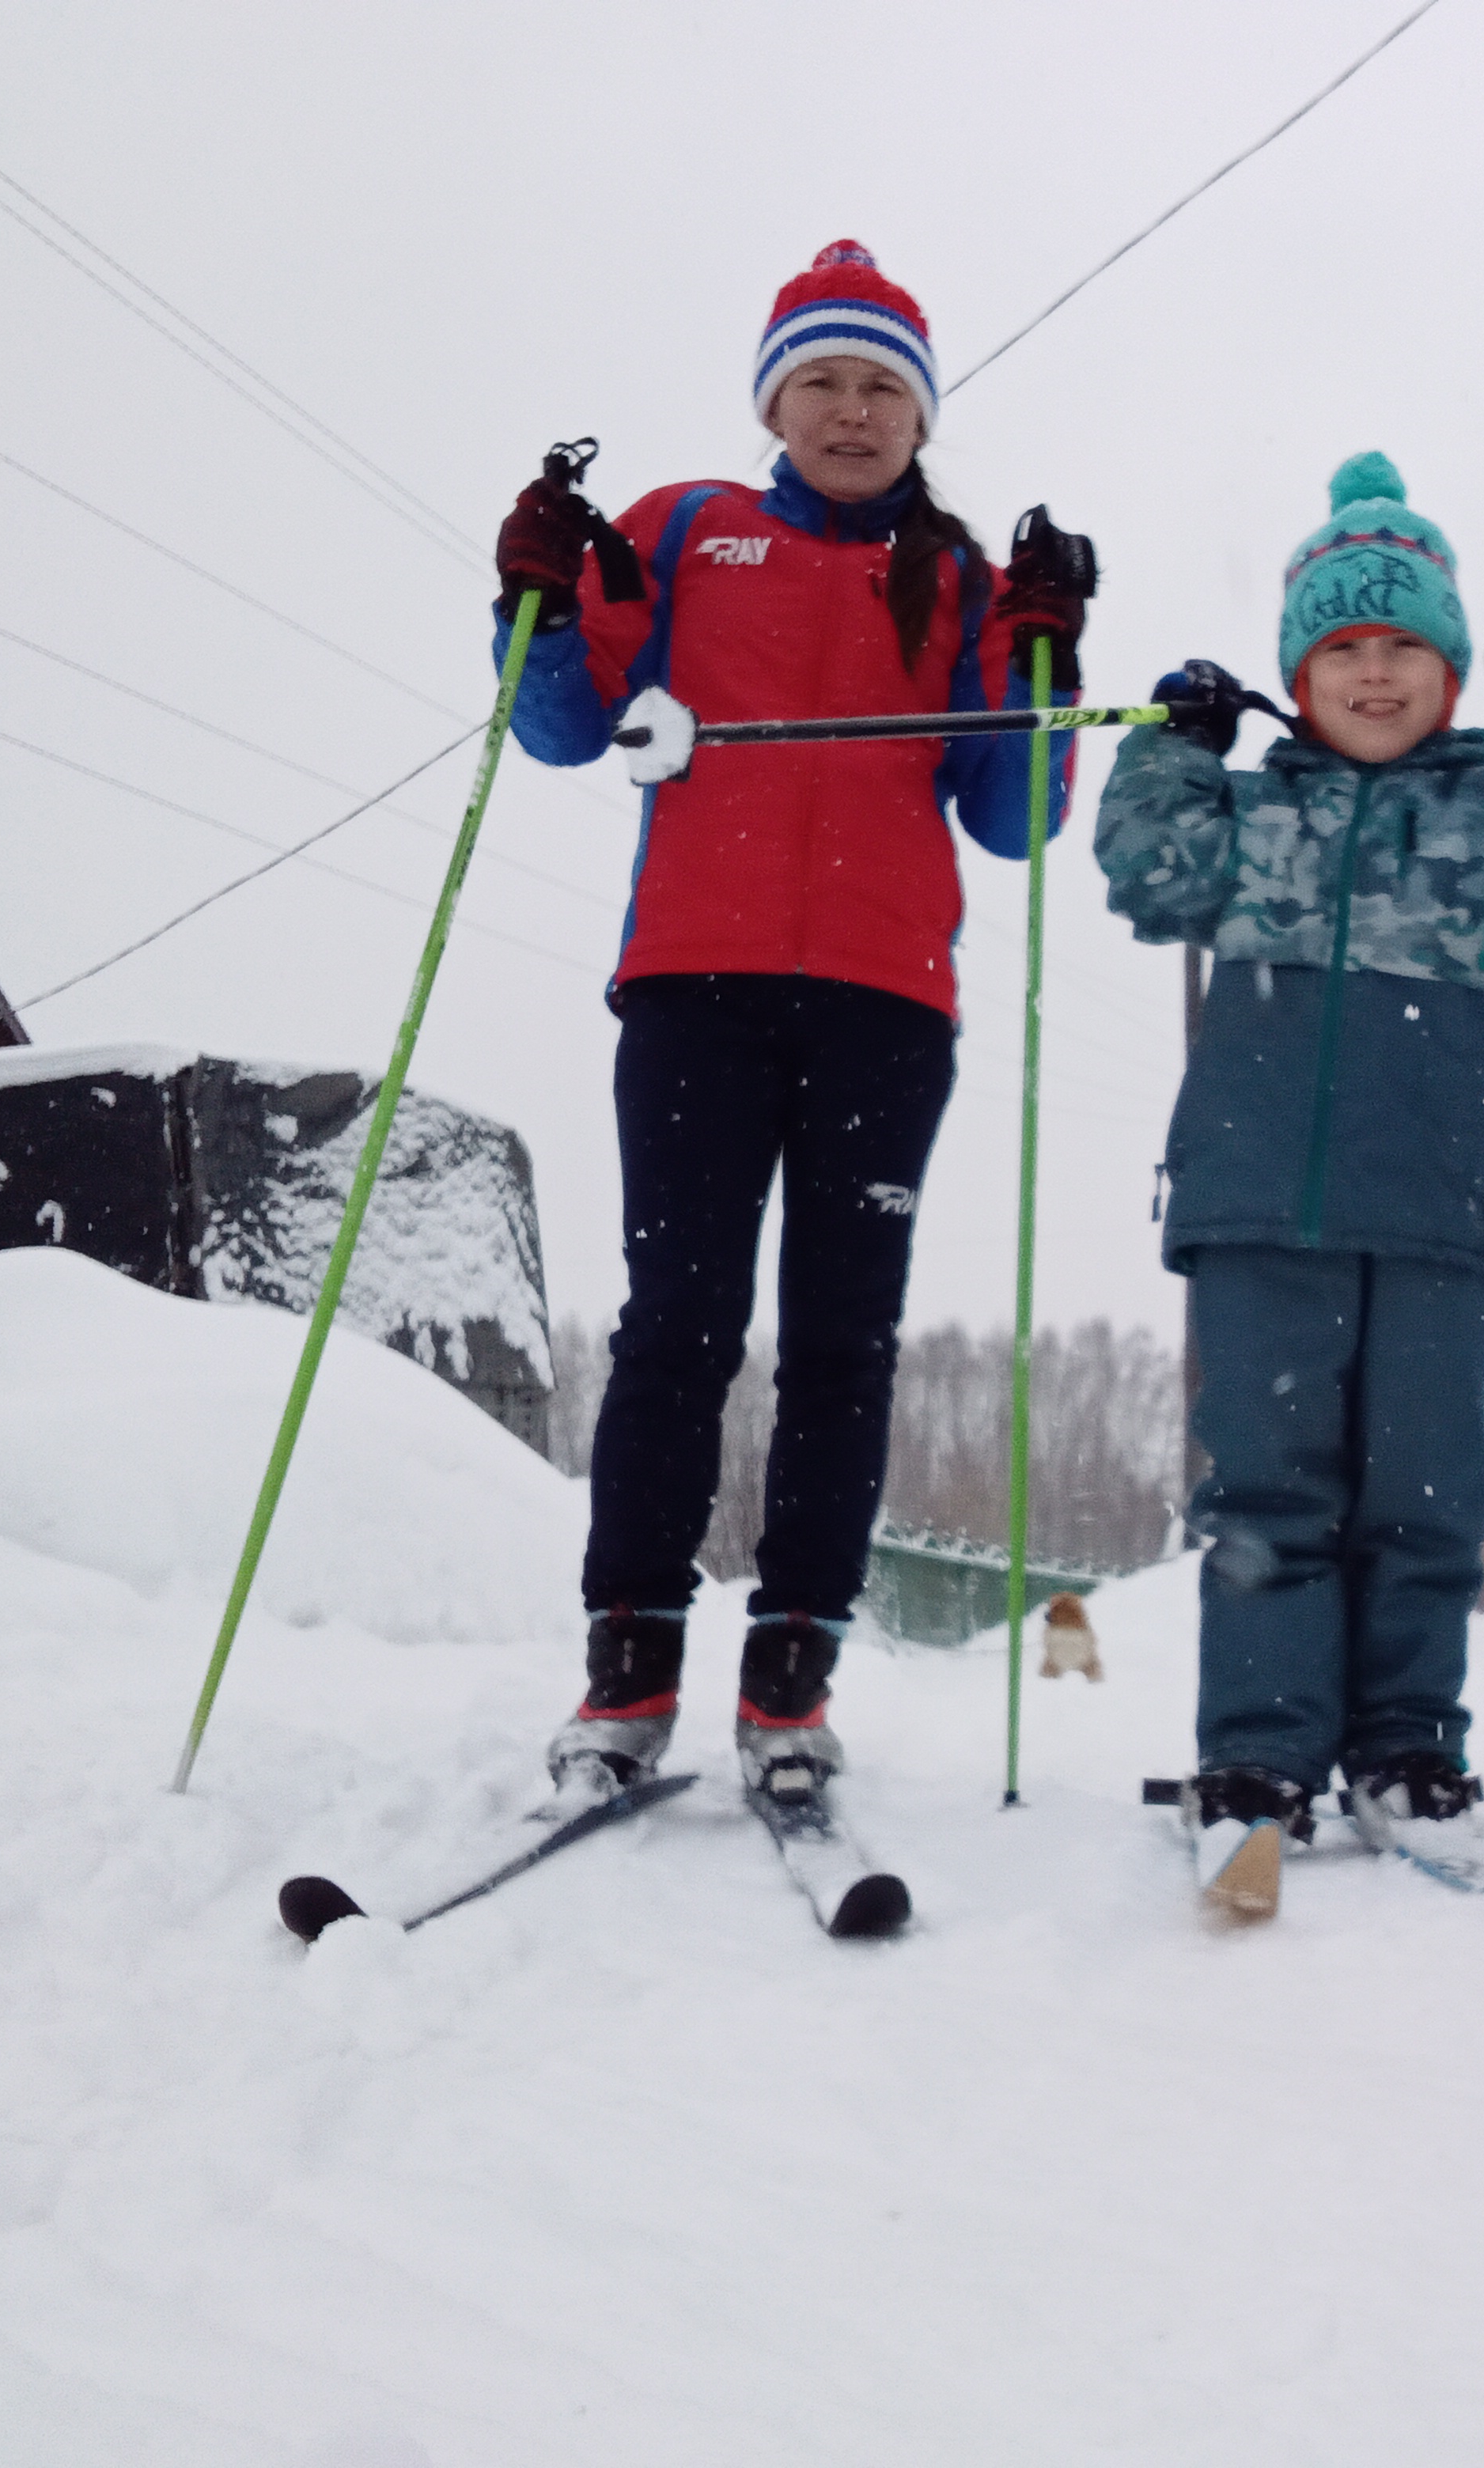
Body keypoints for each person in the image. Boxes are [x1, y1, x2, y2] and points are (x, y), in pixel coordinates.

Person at [490, 240, 1095, 1806]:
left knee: (842, 1345)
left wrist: (1043, 657)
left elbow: (1017, 814)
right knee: (676, 1328)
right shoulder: (689, 531)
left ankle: (790, 1688)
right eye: (821, 381)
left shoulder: (958, 579)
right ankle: (626, 1677)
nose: (850, 411)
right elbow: (557, 729)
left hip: (889, 1004)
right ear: (774, 399)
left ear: (920, 414)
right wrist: (536, 601)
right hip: (695, 984)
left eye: (881, 387)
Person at [1093, 451, 1484, 1875]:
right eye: (1345, 649)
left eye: (1407, 646)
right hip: (1259, 1203)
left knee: (1424, 1491)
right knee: (1269, 1493)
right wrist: (1175, 742)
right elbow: (1146, 872)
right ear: (1302, 673)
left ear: (1452, 673)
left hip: (1442, 1208)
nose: (1378, 674)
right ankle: (1260, 1763)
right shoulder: (1253, 820)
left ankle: (1409, 1748)